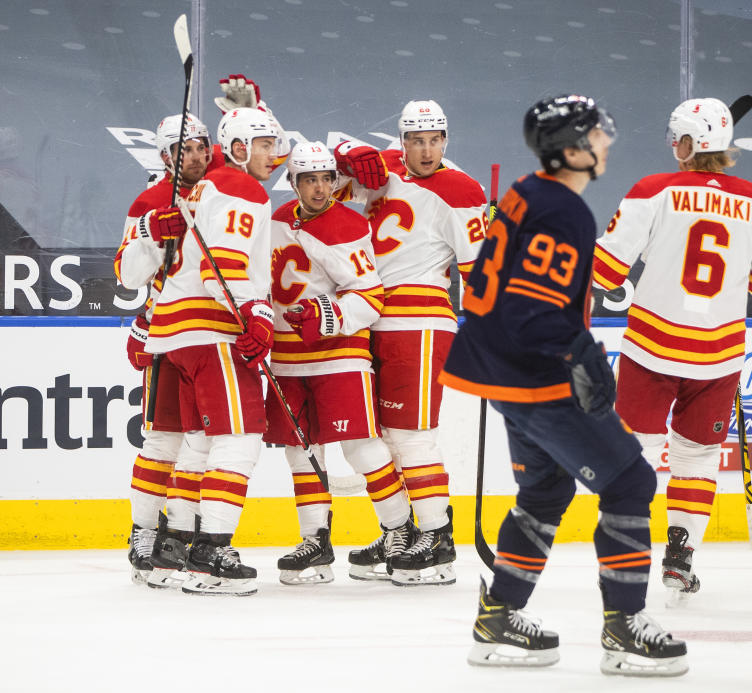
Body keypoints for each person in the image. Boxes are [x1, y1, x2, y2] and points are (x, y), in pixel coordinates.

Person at [439, 95, 688, 676]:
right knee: (631, 483)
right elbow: (535, 309)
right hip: (537, 377)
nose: (606, 141)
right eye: (595, 134)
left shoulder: (528, 191)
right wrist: (584, 359)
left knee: (545, 495)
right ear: (571, 148)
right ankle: (625, 628)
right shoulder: (565, 211)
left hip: (499, 371)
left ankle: (498, 618)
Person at [592, 97, 752, 603]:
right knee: (698, 457)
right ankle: (681, 555)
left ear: (686, 145)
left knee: (633, 453)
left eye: (675, 137)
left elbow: (605, 273)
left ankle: (624, 550)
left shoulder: (653, 191)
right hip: (718, 357)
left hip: (653, 349)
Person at [333, 99, 487, 585]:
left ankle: (437, 539)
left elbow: (479, 270)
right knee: (368, 436)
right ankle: (398, 530)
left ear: (446, 140)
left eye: (434, 140)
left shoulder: (462, 190)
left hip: (418, 321)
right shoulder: (385, 169)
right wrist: (347, 150)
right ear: (401, 140)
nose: (425, 150)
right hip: (368, 316)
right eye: (416, 140)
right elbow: (325, 180)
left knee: (410, 435)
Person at [144, 106, 284, 596]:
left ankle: (176, 542)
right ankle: (210, 556)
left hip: (177, 333)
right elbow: (220, 267)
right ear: (242, 148)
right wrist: (257, 313)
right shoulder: (242, 186)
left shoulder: (209, 185)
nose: (275, 154)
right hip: (211, 330)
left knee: (200, 444)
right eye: (265, 145)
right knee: (241, 437)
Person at [266, 141, 417, 585]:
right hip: (288, 355)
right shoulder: (276, 222)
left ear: (335, 180)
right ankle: (315, 541)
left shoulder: (347, 224)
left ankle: (398, 531)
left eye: (325, 178)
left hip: (339, 354)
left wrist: (323, 315)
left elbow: (370, 296)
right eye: (308, 179)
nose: (318, 188)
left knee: (360, 447)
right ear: (293, 183)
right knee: (301, 449)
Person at [116, 112, 222, 585]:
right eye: (184, 151)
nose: (195, 157)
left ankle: (179, 532)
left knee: (201, 443)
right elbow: (127, 275)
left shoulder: (224, 188)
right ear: (164, 157)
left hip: (212, 333)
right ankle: (143, 532)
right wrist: (148, 237)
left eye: (201, 147)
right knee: (162, 440)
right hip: (168, 334)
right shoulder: (150, 201)